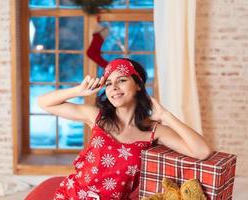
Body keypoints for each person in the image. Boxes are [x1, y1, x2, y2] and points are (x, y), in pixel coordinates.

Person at [37, 58, 212, 200]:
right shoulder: (97, 117)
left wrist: (166, 115)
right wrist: (79, 91)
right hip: (73, 196)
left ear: (138, 85)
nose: (114, 88)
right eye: (109, 83)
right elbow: (44, 103)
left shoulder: (154, 130)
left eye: (121, 80)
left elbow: (202, 151)